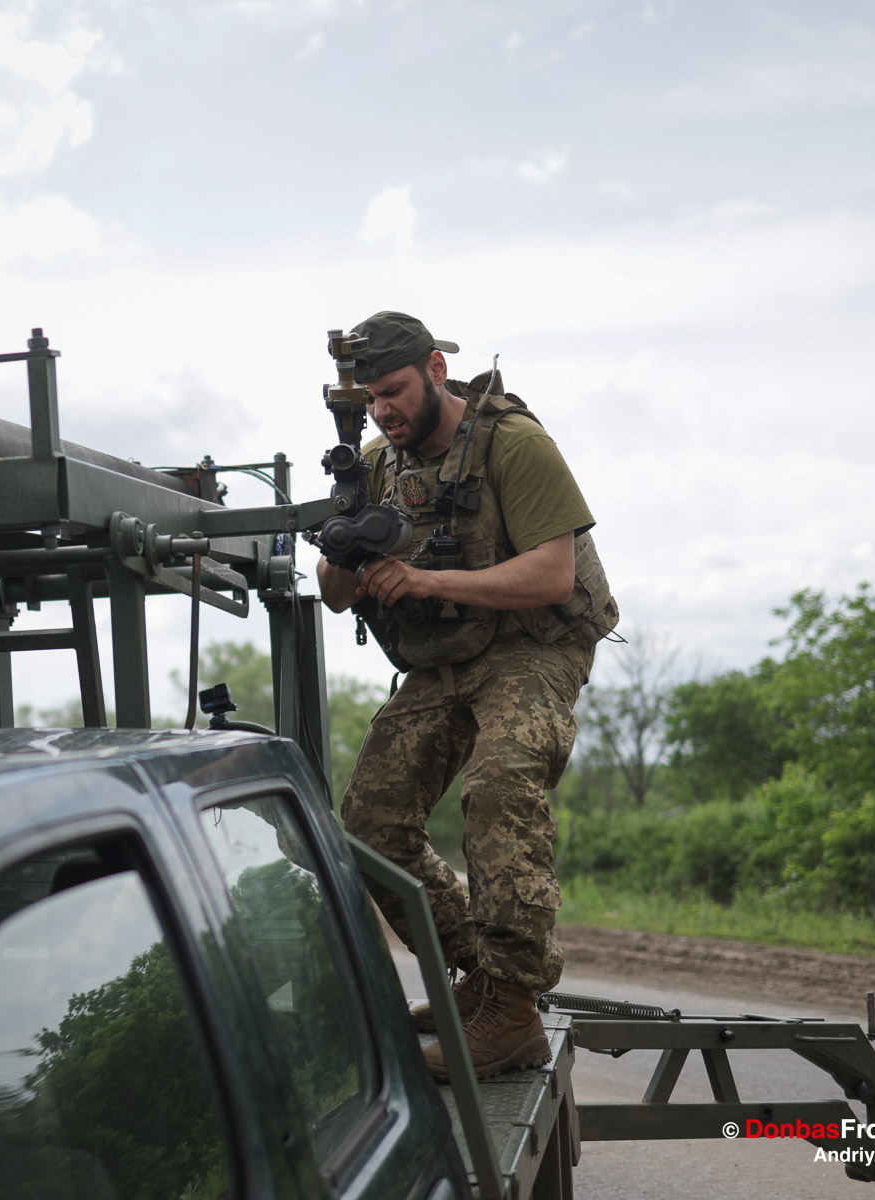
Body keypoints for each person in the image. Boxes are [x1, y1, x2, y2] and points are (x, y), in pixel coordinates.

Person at [315, 311, 618, 1081]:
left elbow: (552, 574)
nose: (383, 411)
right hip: (447, 656)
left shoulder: (511, 442)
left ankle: (512, 1013)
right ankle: (480, 980)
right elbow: (336, 598)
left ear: (435, 373)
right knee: (369, 825)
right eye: (370, 400)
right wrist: (343, 542)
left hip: (533, 645)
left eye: (393, 392)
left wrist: (424, 578)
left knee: (500, 784)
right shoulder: (378, 464)